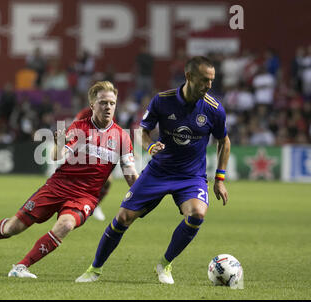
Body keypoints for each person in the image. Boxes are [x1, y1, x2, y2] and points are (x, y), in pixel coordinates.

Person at [76, 56, 230, 284]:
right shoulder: (162, 100)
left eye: (211, 81)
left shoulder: (214, 109)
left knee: (197, 214)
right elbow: (141, 131)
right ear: (189, 77)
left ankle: (165, 264)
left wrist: (219, 179)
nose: (209, 86)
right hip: (158, 172)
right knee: (122, 218)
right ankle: (94, 269)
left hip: (191, 177)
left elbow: (223, 141)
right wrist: (149, 146)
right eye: (204, 80)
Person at [0, 81, 139, 278]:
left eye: (112, 103)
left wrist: (146, 190)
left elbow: (131, 173)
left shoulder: (122, 137)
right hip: (58, 186)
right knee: (14, 227)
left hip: (85, 196)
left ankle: (21, 267)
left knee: (65, 225)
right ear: (92, 105)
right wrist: (59, 143)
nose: (108, 107)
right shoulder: (79, 128)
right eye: (103, 102)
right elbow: (57, 156)